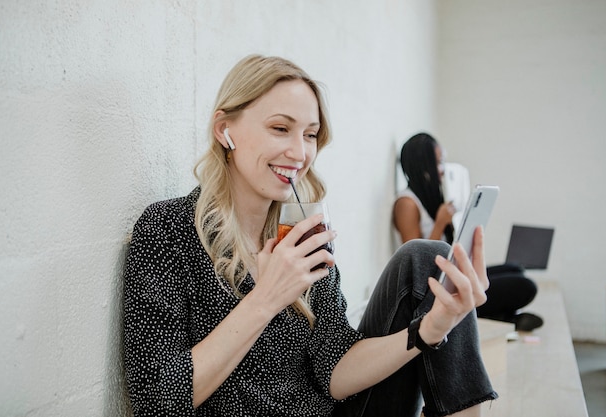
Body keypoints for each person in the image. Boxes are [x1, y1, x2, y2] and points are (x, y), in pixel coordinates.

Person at [123, 55, 498, 417]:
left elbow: (335, 368)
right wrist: (266, 298)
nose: (300, 153)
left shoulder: (304, 236)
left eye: (311, 135)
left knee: (428, 259)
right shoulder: (167, 230)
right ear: (225, 130)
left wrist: (428, 331)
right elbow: (157, 401)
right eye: (280, 128)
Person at [393, 132, 543, 332]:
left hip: (449, 275)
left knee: (516, 268)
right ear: (422, 166)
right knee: (525, 285)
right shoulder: (406, 203)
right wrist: (439, 224)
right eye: (437, 163)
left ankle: (499, 317)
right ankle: (500, 318)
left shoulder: (430, 196)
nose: (442, 171)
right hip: (434, 290)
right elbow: (415, 264)